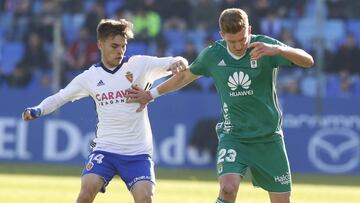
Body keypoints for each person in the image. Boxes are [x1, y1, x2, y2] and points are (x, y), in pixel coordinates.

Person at [126, 8, 314, 203]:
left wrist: (280, 50)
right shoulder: (213, 55)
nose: (239, 45)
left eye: (243, 39)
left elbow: (308, 61)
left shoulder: (265, 47)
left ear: (249, 30)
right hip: (234, 136)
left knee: (282, 200)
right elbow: (184, 76)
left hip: (268, 136)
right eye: (232, 41)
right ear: (222, 34)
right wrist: (151, 94)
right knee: (227, 188)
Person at [22, 18, 188, 203]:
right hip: (105, 150)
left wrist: (178, 62)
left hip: (138, 152)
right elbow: (60, 97)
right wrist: (38, 109)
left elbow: (179, 61)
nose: (120, 51)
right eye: (114, 46)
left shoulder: (138, 65)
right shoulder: (90, 77)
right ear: (100, 44)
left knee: (145, 199)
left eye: (123, 46)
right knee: (86, 192)